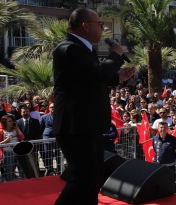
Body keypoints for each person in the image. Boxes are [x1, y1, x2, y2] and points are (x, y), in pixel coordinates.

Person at [52, 8, 134, 205]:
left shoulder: (84, 49)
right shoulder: (69, 48)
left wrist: (117, 77)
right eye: (100, 24)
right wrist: (116, 55)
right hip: (76, 125)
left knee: (95, 176)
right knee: (85, 176)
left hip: (88, 124)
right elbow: (96, 73)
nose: (102, 28)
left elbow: (88, 80)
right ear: (85, 26)